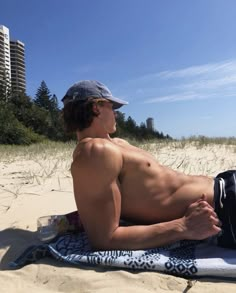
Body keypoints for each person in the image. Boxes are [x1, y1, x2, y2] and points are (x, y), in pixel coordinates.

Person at [62, 80, 236, 251]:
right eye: (112, 107)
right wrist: (183, 226)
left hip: (225, 182)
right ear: (96, 107)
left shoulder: (116, 143)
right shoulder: (94, 152)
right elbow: (104, 239)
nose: (116, 114)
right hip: (223, 208)